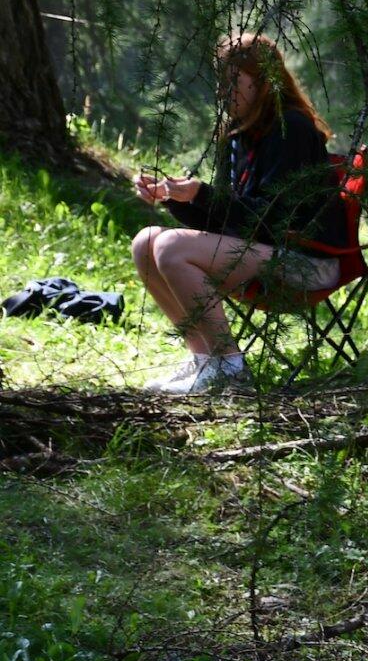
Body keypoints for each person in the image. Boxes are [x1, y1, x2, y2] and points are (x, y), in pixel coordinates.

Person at [130, 33, 345, 395]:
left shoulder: (290, 129)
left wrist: (202, 193)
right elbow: (229, 221)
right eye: (221, 82)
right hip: (259, 249)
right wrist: (175, 199)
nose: (223, 92)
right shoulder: (237, 135)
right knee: (146, 242)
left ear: (262, 82)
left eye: (233, 82)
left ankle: (229, 367)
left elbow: (270, 220)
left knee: (169, 247)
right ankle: (204, 360)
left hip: (307, 258)